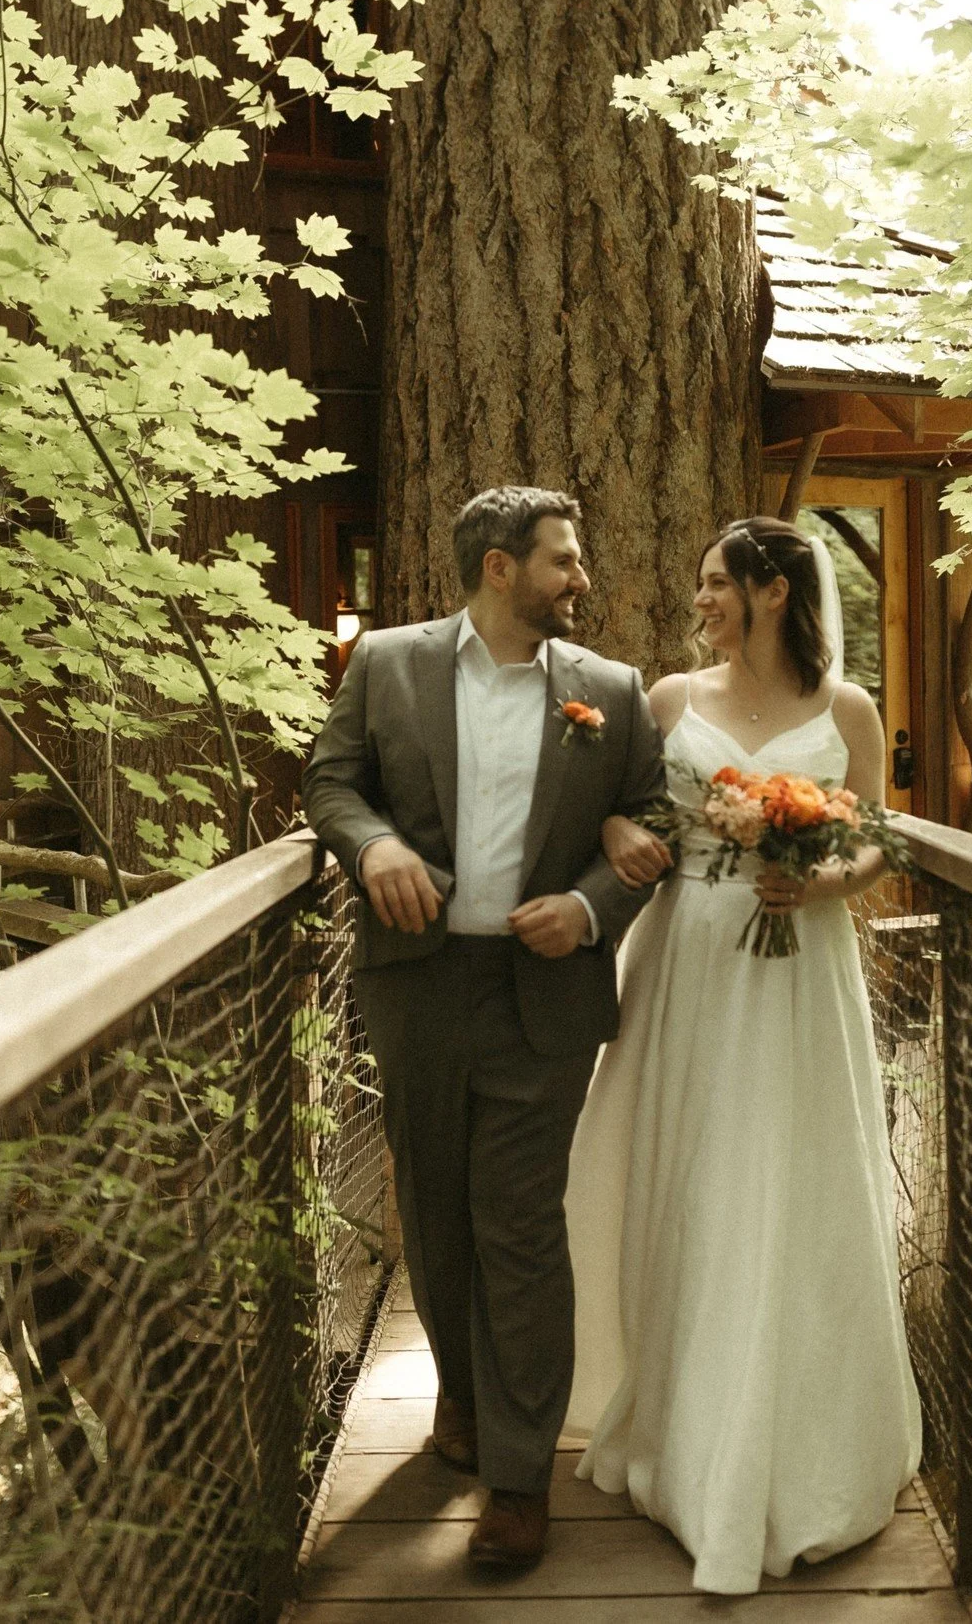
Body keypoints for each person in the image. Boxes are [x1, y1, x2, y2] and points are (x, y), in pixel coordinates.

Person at [301, 486, 664, 1570]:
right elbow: (330, 779)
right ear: (499, 569)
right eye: (562, 560)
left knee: (518, 1225)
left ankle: (517, 1477)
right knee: (436, 1211)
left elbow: (650, 816)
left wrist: (594, 904)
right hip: (416, 985)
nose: (580, 578)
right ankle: (459, 1394)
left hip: (541, 998)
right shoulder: (389, 664)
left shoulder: (612, 689)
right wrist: (370, 849)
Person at [564, 514, 922, 1595]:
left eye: (718, 583)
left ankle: (800, 1449)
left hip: (801, 964)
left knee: (793, 1184)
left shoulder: (845, 709)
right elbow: (619, 813)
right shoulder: (670, 702)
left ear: (772, 590)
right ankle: (684, 1432)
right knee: (698, 1181)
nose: (703, 601)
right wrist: (628, 837)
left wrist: (825, 880)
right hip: (694, 961)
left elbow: (875, 832)